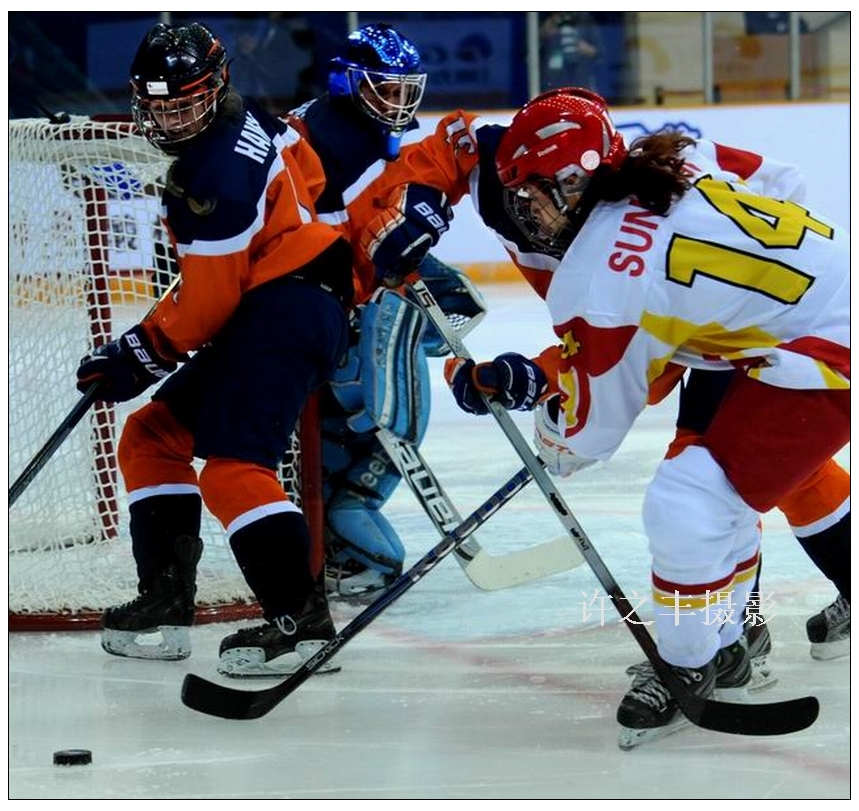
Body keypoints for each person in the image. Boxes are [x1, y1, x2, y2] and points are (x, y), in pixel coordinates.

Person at [443, 88, 849, 748]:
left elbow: (584, 439)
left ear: (574, 180)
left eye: (533, 195)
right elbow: (784, 183)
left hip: (820, 347)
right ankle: (726, 644)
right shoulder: (676, 155)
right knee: (710, 487)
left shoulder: (598, 277)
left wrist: (548, 424)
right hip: (796, 320)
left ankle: (688, 661)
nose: (527, 216)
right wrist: (737, 306)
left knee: (688, 501)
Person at [75, 22, 354, 677]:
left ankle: (302, 623)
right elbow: (311, 174)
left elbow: (207, 304)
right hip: (286, 303)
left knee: (233, 469)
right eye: (159, 107)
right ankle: (166, 605)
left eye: (185, 104)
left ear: (216, 86)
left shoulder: (213, 174)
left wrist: (138, 353)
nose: (170, 120)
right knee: (151, 437)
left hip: (284, 309)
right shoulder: (251, 119)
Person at [284, 23, 487, 602]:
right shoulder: (320, 141)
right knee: (369, 391)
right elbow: (312, 245)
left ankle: (340, 527)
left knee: (449, 301)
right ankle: (348, 526)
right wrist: (360, 284)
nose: (397, 103)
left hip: (337, 303)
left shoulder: (356, 130)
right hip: (308, 313)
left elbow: (434, 161)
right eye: (385, 90)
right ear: (348, 83)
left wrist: (416, 212)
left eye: (405, 91)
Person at [539, 12, 603, 93]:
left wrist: (587, 49)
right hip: (554, 82)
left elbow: (599, 52)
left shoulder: (584, 18)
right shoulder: (546, 18)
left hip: (580, 80)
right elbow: (532, 48)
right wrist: (546, 30)